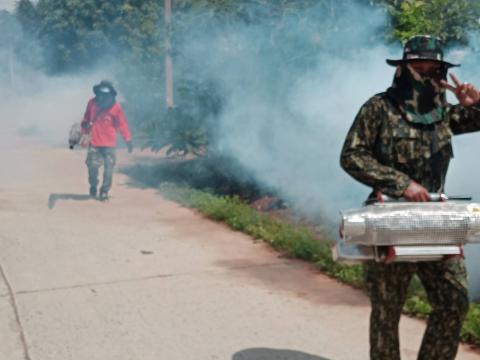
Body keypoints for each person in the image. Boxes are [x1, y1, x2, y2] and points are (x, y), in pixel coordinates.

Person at [340, 35, 480, 360]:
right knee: (388, 311)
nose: (427, 73)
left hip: (435, 220)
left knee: (453, 302)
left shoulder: (443, 113)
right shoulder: (379, 108)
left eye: (434, 68)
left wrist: (475, 102)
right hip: (390, 219)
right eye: (419, 66)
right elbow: (352, 155)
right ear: (403, 68)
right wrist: (401, 183)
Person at [81, 80, 133, 201]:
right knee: (92, 167)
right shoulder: (92, 103)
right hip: (94, 142)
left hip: (109, 144)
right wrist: (84, 130)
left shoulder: (116, 107)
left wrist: (128, 139)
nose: (103, 96)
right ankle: (93, 184)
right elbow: (87, 118)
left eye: (106, 94)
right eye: (101, 93)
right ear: (97, 92)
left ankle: (104, 192)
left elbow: (122, 124)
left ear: (111, 94)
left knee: (109, 170)